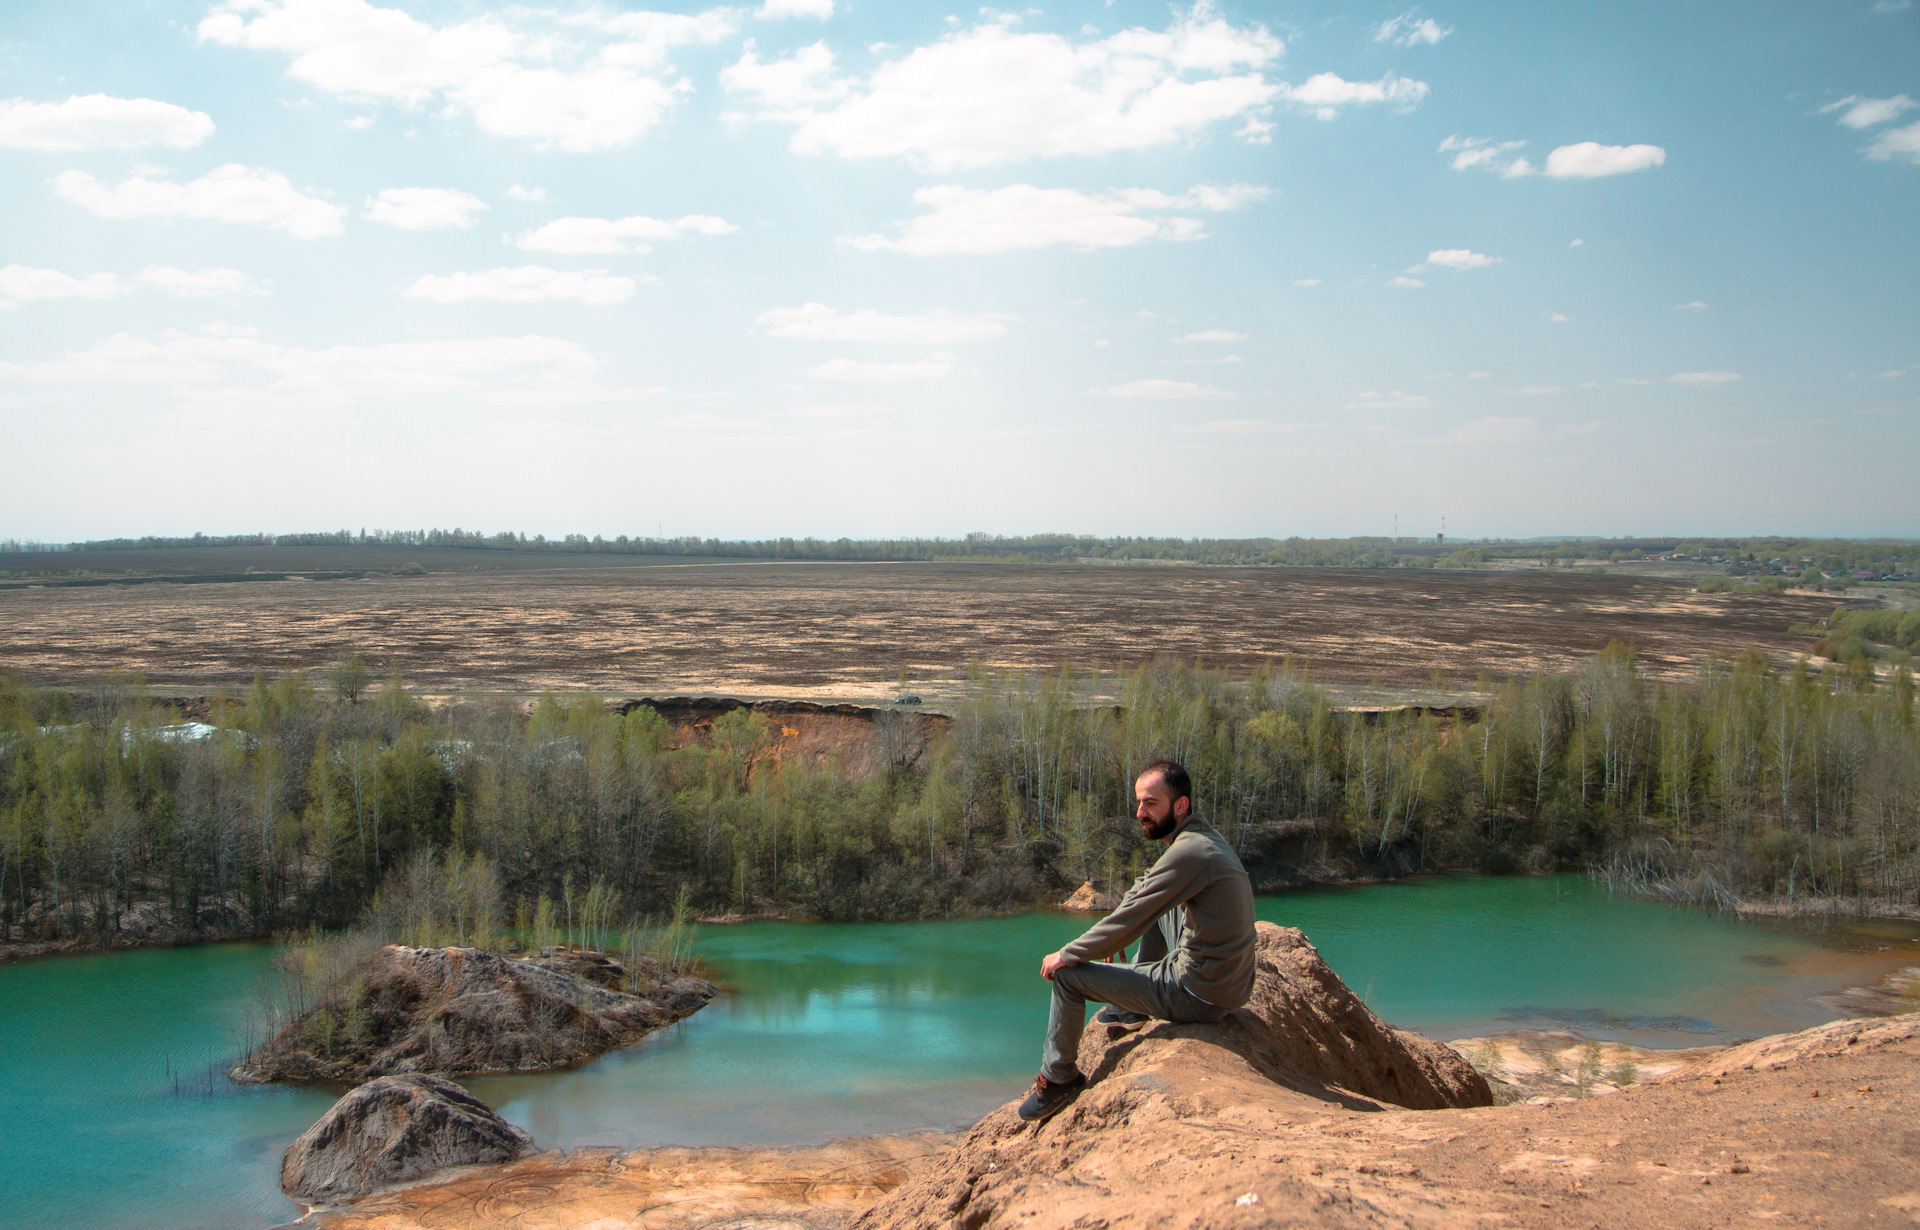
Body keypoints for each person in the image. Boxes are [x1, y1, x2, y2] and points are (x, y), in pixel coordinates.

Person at [1018, 759, 1256, 1122]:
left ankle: (1058, 1079)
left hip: (1199, 994)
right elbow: (1144, 891)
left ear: (1181, 805)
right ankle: (1133, 1007)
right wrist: (1115, 933)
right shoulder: (1201, 838)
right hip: (1227, 983)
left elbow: (1131, 917)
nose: (1140, 812)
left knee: (1068, 978)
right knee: (1154, 903)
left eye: (1151, 803)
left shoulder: (1191, 852)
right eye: (1139, 803)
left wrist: (1068, 953)